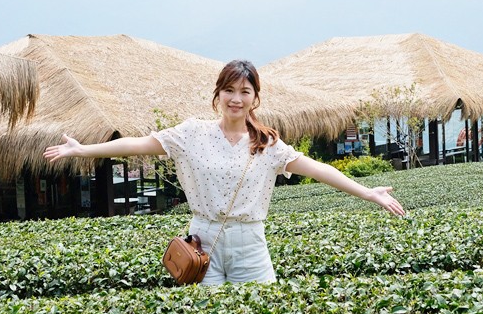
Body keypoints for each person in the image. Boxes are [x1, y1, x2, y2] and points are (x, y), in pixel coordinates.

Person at [44, 60, 405, 285]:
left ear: (254, 98)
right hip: (203, 242)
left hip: (250, 244)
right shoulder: (191, 133)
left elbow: (320, 170)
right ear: (218, 94)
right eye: (229, 90)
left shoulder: (267, 144)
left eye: (244, 91)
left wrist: (368, 192)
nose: (236, 98)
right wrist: (83, 149)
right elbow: (136, 144)